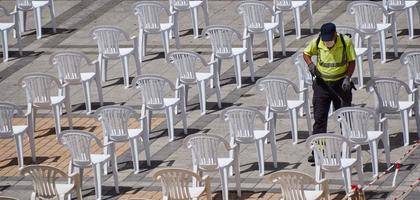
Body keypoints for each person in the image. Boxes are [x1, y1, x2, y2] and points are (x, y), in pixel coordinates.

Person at [303, 22, 356, 163]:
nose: (327, 42)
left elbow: (352, 61)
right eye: (325, 40)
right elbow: (306, 53)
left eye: (329, 39)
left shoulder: (346, 42)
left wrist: (347, 78)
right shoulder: (318, 41)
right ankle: (317, 153)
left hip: (341, 85)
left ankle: (346, 148)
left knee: (344, 118)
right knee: (319, 119)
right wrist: (310, 64)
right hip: (322, 85)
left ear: (335, 35)